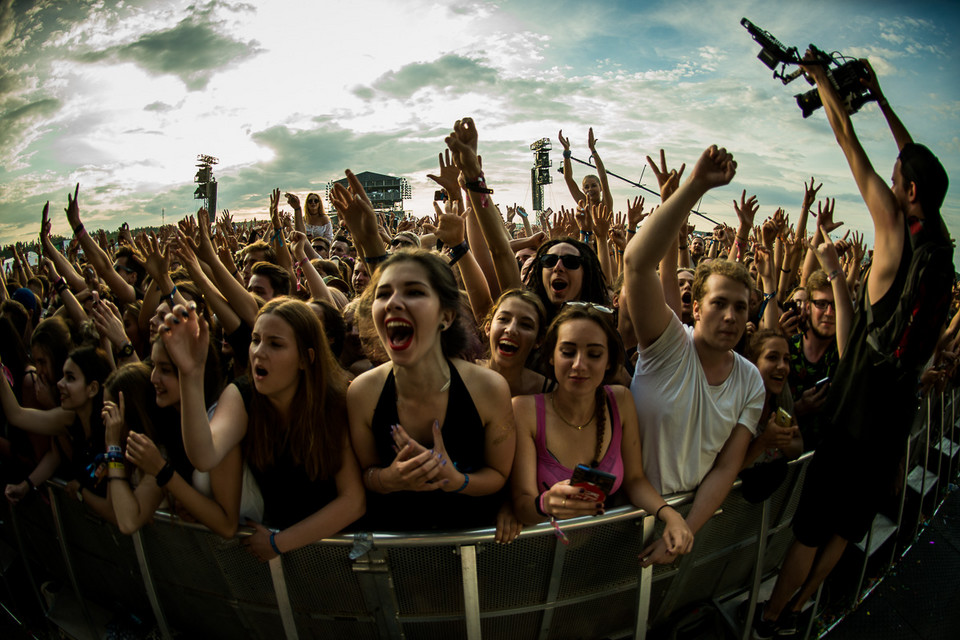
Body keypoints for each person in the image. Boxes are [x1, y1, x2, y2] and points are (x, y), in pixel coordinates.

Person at [753, 56, 954, 639]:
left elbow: (846, 139)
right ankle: (799, 613)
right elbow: (919, 164)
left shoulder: (891, 226)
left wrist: (820, 78)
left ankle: (770, 621)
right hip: (894, 409)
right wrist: (883, 99)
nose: (885, 186)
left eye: (895, 182)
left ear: (906, 192)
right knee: (843, 532)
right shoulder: (939, 247)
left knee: (811, 530)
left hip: (856, 406)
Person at [623, 146, 765, 566]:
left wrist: (685, 528)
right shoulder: (668, 344)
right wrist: (695, 187)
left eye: (740, 307)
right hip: (620, 513)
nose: (730, 316)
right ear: (696, 307)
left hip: (682, 520)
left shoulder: (750, 380)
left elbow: (726, 467)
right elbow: (636, 263)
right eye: (719, 303)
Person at [159, 297, 364, 559]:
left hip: (340, 555)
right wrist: (190, 374)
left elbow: (353, 501)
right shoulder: (242, 396)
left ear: (306, 358)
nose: (258, 352)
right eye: (256, 340)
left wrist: (280, 542)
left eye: (275, 344)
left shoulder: (335, 402)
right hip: (283, 562)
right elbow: (204, 455)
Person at [506, 303, 693, 555]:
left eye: (594, 354)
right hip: (536, 556)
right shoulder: (524, 410)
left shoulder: (621, 401)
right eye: (568, 352)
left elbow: (635, 480)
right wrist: (544, 503)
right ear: (551, 356)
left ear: (608, 362)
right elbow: (522, 504)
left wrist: (669, 514)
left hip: (599, 557)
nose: (579, 364)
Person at [348, 250, 516, 531]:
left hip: (472, 549)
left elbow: (499, 474)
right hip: (397, 549)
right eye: (383, 293)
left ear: (446, 316)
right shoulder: (362, 393)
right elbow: (366, 473)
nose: (393, 303)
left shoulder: (488, 388)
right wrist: (388, 479)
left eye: (414, 292)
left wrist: (457, 480)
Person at [481, 289, 553, 397]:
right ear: (488, 328)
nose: (511, 330)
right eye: (504, 319)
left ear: (539, 340)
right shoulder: (461, 373)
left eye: (525, 325)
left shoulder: (549, 391)